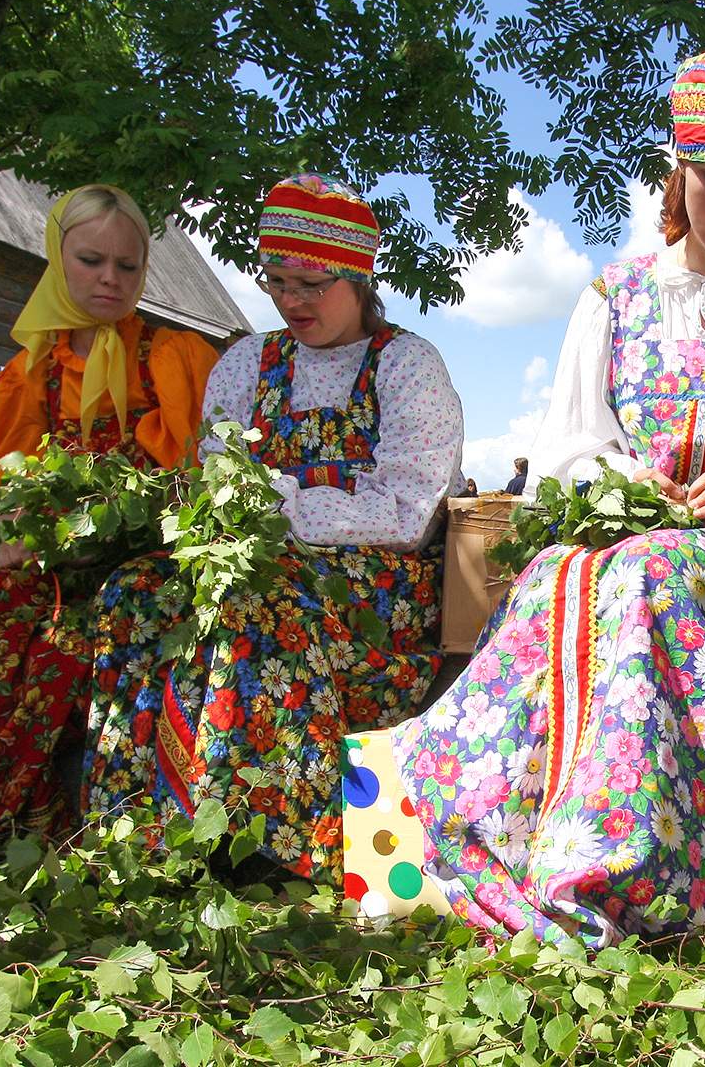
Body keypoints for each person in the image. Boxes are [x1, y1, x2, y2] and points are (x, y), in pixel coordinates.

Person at [384, 47, 705, 945]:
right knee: (563, 577)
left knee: (651, 573)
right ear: (676, 169)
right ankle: (471, 828)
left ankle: (616, 868)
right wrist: (621, 484)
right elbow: (566, 458)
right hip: (625, 560)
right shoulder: (613, 297)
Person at [83, 173, 463, 882]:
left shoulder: (406, 365)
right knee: (131, 590)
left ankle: (265, 843)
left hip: (380, 585)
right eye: (277, 281)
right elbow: (217, 477)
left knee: (260, 599)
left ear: (360, 276)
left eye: (312, 284)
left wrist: (280, 507)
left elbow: (408, 514)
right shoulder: (247, 363)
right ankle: (135, 822)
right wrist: (230, 513)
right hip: (259, 560)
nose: (292, 300)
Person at [0, 184, 220, 836]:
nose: (110, 279)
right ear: (56, 259)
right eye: (91, 261)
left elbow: (202, 479)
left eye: (127, 266)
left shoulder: (174, 358)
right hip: (55, 560)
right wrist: (15, 536)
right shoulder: (32, 373)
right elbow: (2, 492)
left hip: (155, 561)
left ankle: (103, 816)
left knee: (84, 638)